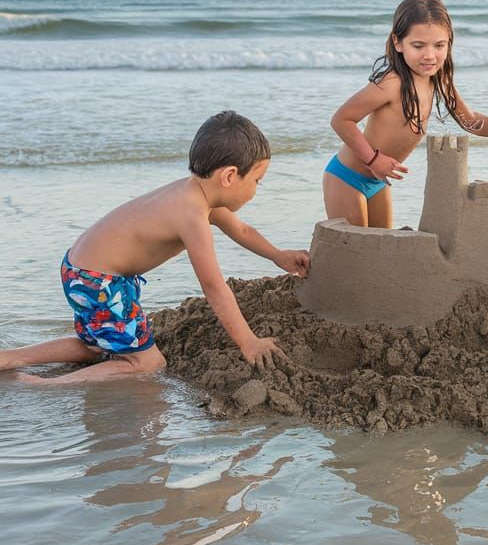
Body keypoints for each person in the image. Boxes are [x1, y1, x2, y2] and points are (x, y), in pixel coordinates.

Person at [0, 111, 310, 385]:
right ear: (229, 176)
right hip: (99, 282)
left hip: (82, 269)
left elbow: (241, 230)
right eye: (257, 180)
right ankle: (39, 385)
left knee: (95, 346)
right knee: (148, 363)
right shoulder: (191, 215)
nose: (256, 189)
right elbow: (214, 287)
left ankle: (8, 358)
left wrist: (278, 255)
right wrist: (248, 342)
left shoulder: (194, 194)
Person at [324, 0, 488, 228]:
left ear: (449, 42)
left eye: (439, 45)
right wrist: (374, 159)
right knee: (355, 247)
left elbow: (469, 121)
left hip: (377, 182)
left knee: (382, 246)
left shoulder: (440, 80)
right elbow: (341, 120)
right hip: (347, 178)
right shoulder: (391, 83)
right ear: (398, 43)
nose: (429, 55)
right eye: (418, 46)